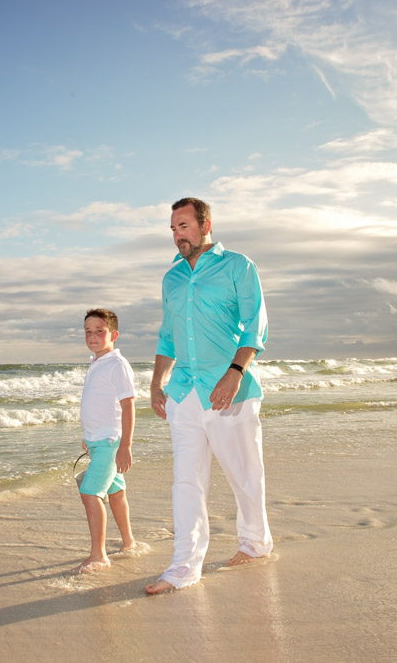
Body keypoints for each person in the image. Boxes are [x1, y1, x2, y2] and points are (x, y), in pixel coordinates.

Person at [145, 197, 272, 595]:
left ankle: (254, 543)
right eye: (172, 229)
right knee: (185, 481)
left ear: (205, 225)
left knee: (244, 475)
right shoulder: (172, 279)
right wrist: (155, 383)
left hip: (228, 390)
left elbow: (255, 326)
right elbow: (168, 336)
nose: (177, 235)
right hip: (184, 391)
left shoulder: (237, 266)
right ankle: (183, 566)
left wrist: (236, 373)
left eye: (183, 226)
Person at [75, 308, 138, 573]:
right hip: (98, 441)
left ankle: (98, 555)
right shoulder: (97, 363)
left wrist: (125, 446)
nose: (93, 336)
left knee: (90, 493)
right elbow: (98, 405)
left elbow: (128, 405)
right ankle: (128, 542)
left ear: (114, 334)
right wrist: (88, 437)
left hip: (111, 442)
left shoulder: (117, 364)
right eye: (88, 332)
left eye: (99, 331)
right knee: (115, 492)